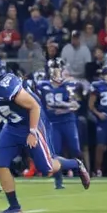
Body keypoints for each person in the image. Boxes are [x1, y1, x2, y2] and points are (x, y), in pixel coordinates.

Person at [0, 53, 90, 213]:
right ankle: (14, 206)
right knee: (0, 161)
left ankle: (76, 164)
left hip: (32, 123)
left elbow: (34, 106)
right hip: (12, 126)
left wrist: (33, 132)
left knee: (46, 168)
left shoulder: (6, 86)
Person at [36, 58, 85, 189]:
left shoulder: (70, 85)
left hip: (68, 121)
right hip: (52, 123)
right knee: (54, 152)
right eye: (53, 69)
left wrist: (63, 108)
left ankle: (81, 171)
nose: (56, 72)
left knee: (75, 149)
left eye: (58, 69)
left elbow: (76, 105)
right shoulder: (42, 85)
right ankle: (58, 181)